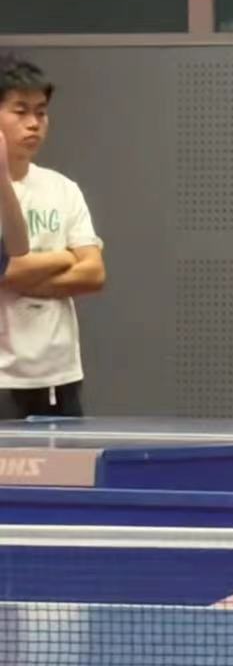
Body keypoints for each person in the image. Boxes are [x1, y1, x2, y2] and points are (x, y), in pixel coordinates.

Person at [0, 56, 104, 418]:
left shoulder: (63, 189)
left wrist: (22, 275)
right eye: (20, 111)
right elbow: (7, 270)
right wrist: (65, 257)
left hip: (59, 376)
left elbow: (93, 273)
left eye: (41, 113)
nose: (33, 123)